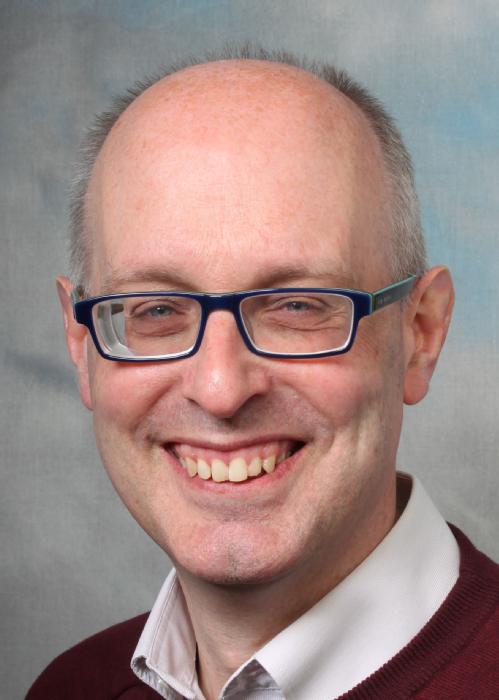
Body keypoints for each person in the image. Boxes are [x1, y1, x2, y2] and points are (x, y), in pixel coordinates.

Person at [26, 48, 498, 700]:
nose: (221, 389)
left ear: (420, 333)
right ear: (82, 346)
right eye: (156, 310)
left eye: (297, 306)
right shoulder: (70, 687)